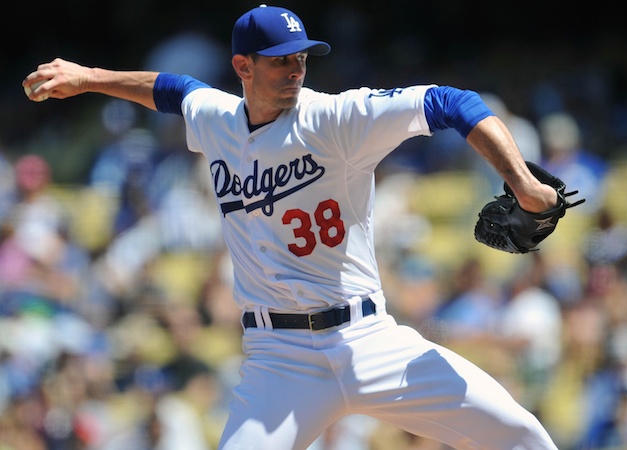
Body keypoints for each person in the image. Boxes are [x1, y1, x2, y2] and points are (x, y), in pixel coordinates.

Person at [23, 5, 561, 449]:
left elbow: (452, 102)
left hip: (368, 339)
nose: (296, 70)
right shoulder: (216, 120)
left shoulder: (336, 118)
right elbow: (170, 89)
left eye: (301, 58)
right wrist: (89, 78)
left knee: (523, 436)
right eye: (280, 61)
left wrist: (523, 184)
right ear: (243, 66)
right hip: (278, 361)